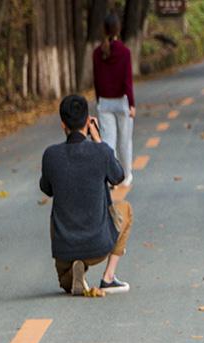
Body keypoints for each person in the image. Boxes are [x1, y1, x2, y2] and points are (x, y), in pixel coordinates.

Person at [40, 94, 133, 296]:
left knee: (66, 284)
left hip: (65, 249)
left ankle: (73, 273)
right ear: (88, 121)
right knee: (125, 209)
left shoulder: (51, 155)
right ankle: (108, 278)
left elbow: (46, 189)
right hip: (98, 246)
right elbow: (118, 176)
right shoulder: (101, 152)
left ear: (63, 124)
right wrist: (98, 139)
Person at [93, 12, 135, 187]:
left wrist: (98, 100)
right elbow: (127, 80)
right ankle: (125, 176)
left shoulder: (97, 52)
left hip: (104, 101)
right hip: (121, 101)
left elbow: (96, 79)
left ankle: (112, 178)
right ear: (118, 29)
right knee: (125, 140)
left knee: (108, 141)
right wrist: (131, 103)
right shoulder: (124, 52)